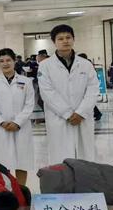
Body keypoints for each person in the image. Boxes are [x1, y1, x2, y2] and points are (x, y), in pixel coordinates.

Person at [38, 25, 100, 163]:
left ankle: (84, 178)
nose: (65, 41)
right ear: (54, 42)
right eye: (60, 38)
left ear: (73, 39)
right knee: (61, 158)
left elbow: (93, 89)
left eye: (68, 37)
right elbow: (47, 92)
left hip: (83, 118)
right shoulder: (45, 66)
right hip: (58, 118)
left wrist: (81, 112)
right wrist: (67, 113)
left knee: (85, 157)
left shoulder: (85, 64)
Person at [0, 49, 35, 186]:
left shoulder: (26, 81)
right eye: (1, 61)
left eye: (8, 60)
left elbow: (29, 104)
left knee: (22, 161)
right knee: (3, 163)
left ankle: (21, 192)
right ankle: (7, 192)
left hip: (21, 128)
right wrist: (1, 122)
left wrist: (17, 122)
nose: (5, 63)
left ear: (14, 61)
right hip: (1, 128)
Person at [78, 53, 102, 121]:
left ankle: (97, 114)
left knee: (87, 101)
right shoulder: (86, 64)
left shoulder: (87, 65)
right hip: (84, 86)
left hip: (87, 86)